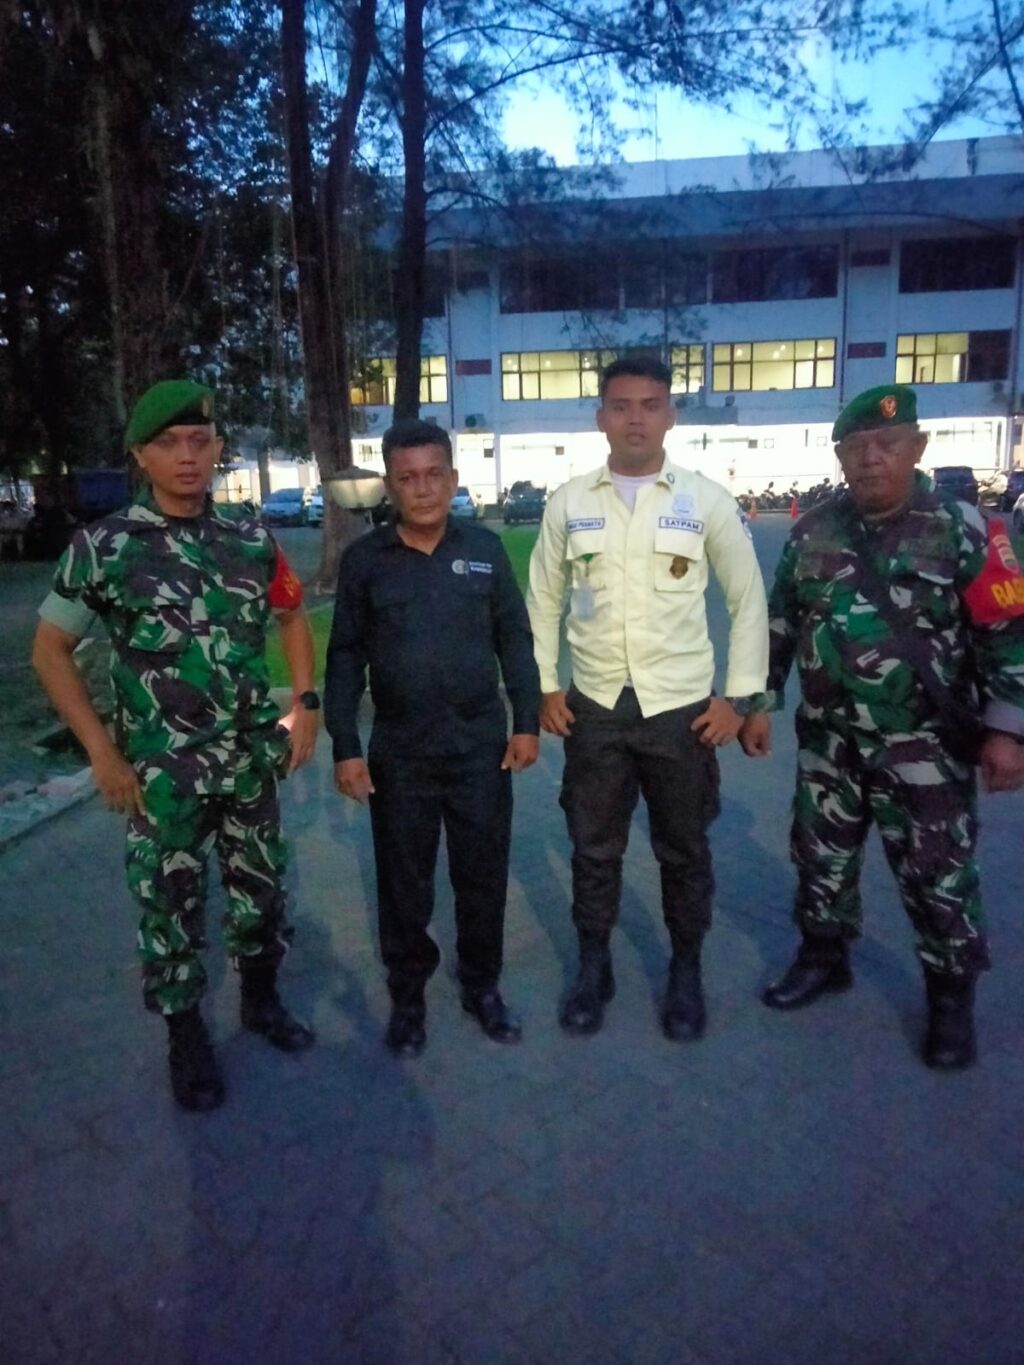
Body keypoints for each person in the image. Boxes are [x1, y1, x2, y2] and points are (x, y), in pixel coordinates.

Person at [32, 380, 318, 1112]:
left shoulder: (250, 538)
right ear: (140, 456)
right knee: (169, 907)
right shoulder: (105, 547)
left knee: (261, 890)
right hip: (162, 775)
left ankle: (261, 1000)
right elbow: (50, 651)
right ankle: (185, 1037)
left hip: (250, 760)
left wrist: (306, 705)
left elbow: (290, 617)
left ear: (218, 448)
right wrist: (102, 753)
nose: (187, 456)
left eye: (200, 440)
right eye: (168, 444)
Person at [741, 383, 1024, 1069]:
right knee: (820, 856)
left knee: (938, 872)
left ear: (916, 447)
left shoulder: (965, 528)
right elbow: (778, 622)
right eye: (857, 447)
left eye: (887, 444)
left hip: (923, 746)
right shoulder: (812, 530)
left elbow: (1007, 633)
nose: (871, 459)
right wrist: (758, 701)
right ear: (840, 456)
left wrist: (1006, 731)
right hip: (828, 740)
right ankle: (824, 956)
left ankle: (949, 996)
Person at [526, 356, 769, 1041]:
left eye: (650, 404)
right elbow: (541, 599)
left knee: (684, 850)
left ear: (670, 414)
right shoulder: (569, 503)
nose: (636, 418)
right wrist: (544, 684)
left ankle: (686, 970)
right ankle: (594, 965)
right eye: (622, 405)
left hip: (682, 711)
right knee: (592, 847)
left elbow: (748, 599)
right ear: (600, 417)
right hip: (596, 707)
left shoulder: (706, 500)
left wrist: (740, 700)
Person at [325, 419, 540, 1058]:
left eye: (433, 475)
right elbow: (344, 656)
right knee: (404, 885)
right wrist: (346, 746)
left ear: (452, 479)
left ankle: (482, 986)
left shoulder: (486, 550)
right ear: (390, 486)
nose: (422, 489)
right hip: (401, 753)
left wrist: (526, 722)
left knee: (483, 877)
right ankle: (409, 998)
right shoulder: (365, 561)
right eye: (407, 478)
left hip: (480, 750)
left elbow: (514, 639)